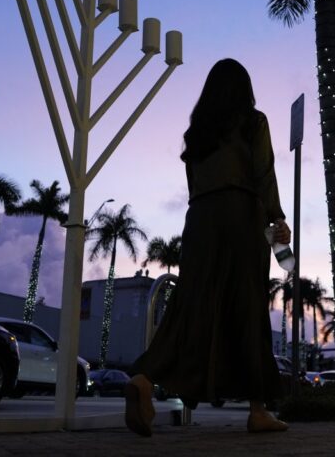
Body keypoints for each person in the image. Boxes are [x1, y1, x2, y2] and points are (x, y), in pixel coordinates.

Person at [124, 58, 292, 437]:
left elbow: (192, 185)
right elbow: (263, 172)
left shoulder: (197, 132)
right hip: (240, 214)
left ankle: (145, 379)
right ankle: (257, 410)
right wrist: (277, 218)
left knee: (191, 308)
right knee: (247, 307)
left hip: (199, 219)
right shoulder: (253, 121)